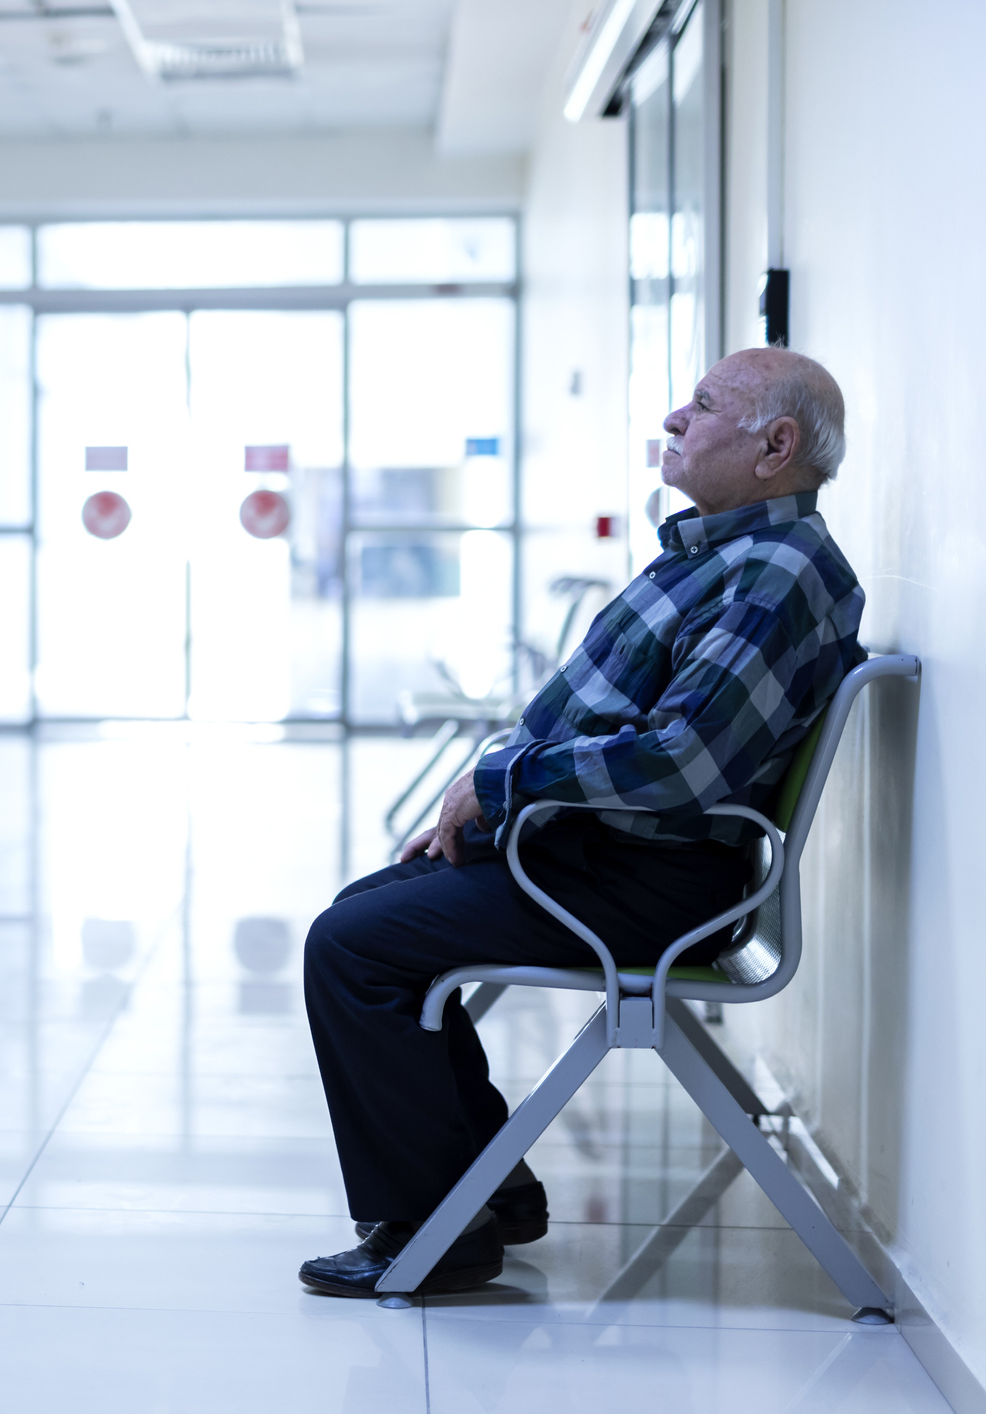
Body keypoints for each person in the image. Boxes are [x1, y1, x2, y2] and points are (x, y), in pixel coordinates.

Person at [299, 348, 865, 1297]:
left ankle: (435, 1231)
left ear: (775, 446)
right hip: (593, 854)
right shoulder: (725, 552)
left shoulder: (775, 570)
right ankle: (487, 1190)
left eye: (701, 406)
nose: (674, 420)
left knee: (354, 946)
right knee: (367, 915)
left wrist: (503, 782)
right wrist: (490, 806)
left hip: (643, 882)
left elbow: (682, 763)